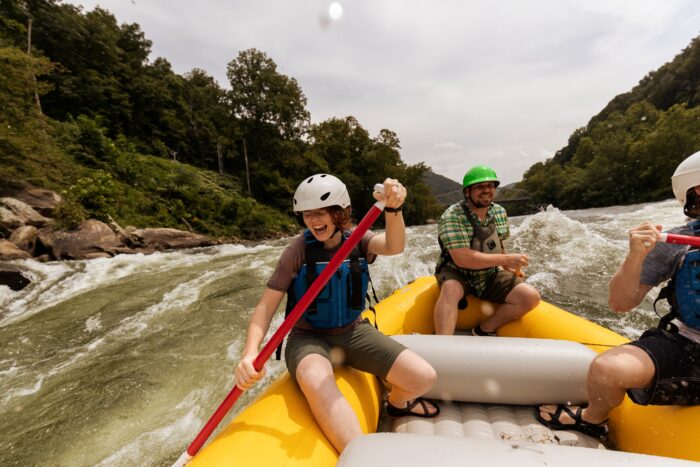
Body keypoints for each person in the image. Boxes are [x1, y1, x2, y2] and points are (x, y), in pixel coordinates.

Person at [234, 174, 438, 453]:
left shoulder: (358, 239)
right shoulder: (297, 250)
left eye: (320, 212)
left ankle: (399, 403)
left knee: (423, 377)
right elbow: (266, 306)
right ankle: (364, 456)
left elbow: (394, 246)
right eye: (307, 214)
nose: (313, 220)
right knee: (316, 379)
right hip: (308, 337)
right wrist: (249, 353)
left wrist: (393, 209)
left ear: (339, 213)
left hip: (354, 331)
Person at [537, 151, 700, 439]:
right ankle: (592, 418)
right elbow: (621, 303)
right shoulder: (675, 244)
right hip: (691, 349)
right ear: (697, 191)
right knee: (607, 369)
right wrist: (635, 256)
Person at [433, 165, 540, 336]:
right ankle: (443, 343)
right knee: (451, 288)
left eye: (491, 186)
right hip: (456, 272)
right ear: (467, 192)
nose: (487, 190)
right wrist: (505, 260)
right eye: (480, 187)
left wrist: (508, 267)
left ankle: (484, 330)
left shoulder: (499, 212)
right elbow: (462, 258)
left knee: (530, 296)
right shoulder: (452, 215)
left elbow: (498, 247)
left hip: (489, 274)